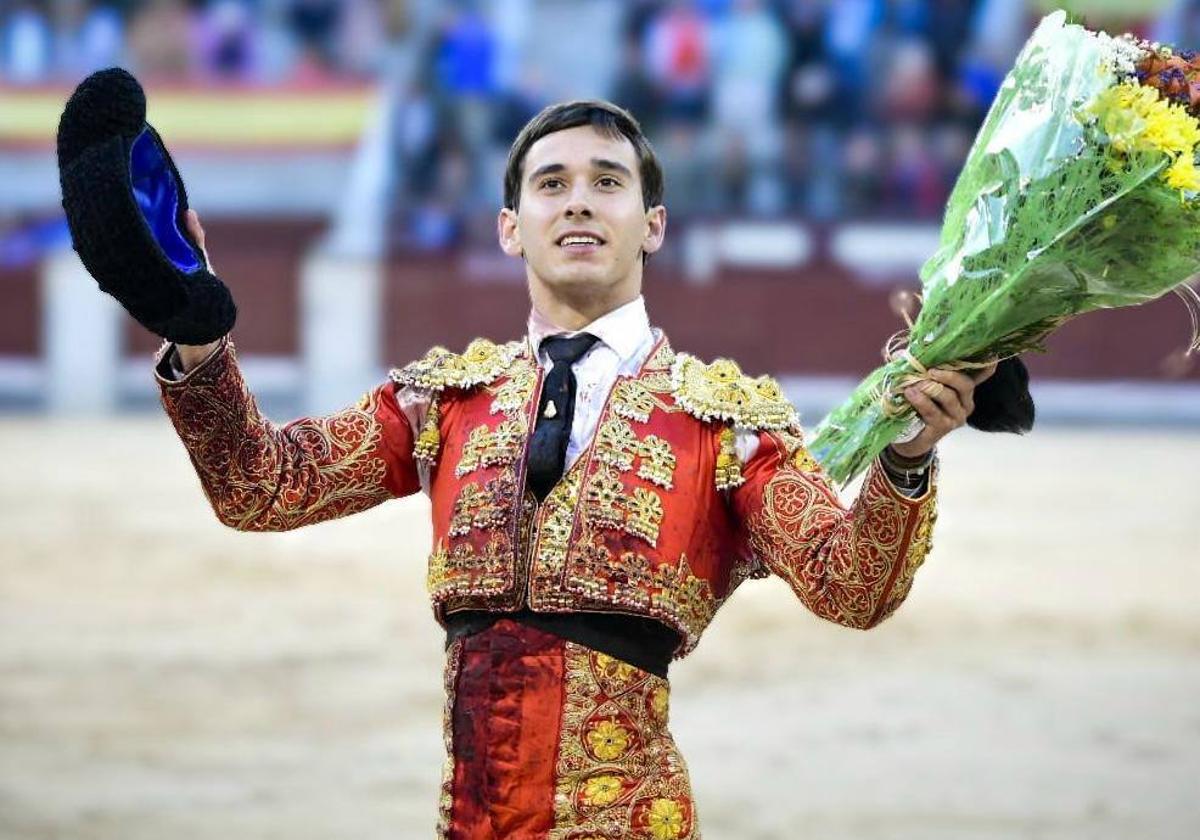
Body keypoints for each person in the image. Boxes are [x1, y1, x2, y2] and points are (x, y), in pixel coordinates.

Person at [108, 94, 996, 837]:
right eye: (551, 185)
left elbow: (851, 586)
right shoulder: (443, 401)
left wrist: (908, 458)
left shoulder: (728, 423)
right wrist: (198, 337)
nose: (578, 203)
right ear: (510, 228)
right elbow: (264, 487)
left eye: (607, 184)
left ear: (652, 225)